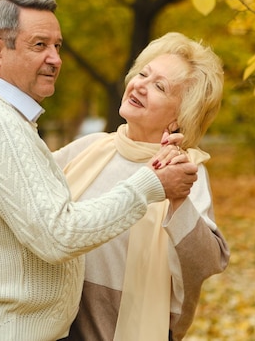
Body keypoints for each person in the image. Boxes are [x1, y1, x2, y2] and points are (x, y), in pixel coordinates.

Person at [0, 0, 199, 341]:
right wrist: (151, 185)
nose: (55, 59)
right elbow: (60, 234)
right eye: (39, 45)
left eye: (57, 46)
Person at [55, 32, 230, 341]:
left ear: (179, 117)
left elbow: (207, 262)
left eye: (159, 86)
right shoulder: (90, 148)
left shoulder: (185, 170)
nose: (140, 86)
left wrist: (178, 202)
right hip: (58, 324)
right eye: (142, 74)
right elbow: (23, 187)